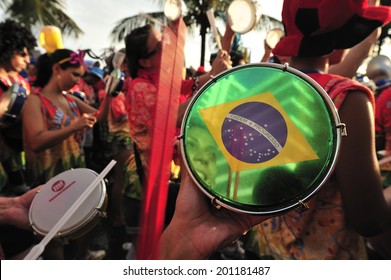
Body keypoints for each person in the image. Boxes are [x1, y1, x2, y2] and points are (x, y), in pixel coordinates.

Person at [242, 0, 391, 260]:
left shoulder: (258, 91)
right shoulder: (347, 99)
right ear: (345, 35)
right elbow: (369, 220)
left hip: (261, 252)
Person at [21, 48, 111, 259]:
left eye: (80, 76)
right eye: (74, 74)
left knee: (80, 224)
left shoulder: (70, 99)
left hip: (75, 174)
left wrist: (110, 93)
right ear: (56, 69)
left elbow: (100, 117)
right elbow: (36, 141)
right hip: (50, 180)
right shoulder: (35, 100)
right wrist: (73, 127)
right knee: (54, 237)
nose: (78, 81)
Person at [0, 19, 36, 195]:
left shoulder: (21, 82)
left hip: (20, 149)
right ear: (7, 50)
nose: (28, 60)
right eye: (22, 54)